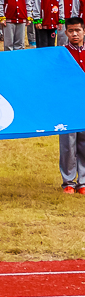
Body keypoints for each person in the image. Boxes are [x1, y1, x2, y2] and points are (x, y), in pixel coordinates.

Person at [61, 17, 85, 194]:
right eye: (71, 31)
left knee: (84, 142)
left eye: (78, 30)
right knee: (68, 143)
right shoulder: (61, 53)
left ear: (83, 31)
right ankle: (68, 181)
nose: (74, 34)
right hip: (67, 104)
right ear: (65, 32)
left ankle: (83, 182)